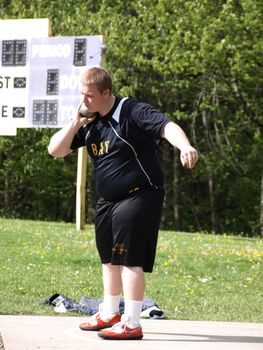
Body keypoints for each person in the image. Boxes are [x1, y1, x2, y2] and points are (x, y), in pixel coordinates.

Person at [48, 67, 198, 340]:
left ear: (107, 92)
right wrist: (75, 122)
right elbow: (55, 150)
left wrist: (185, 146)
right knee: (109, 258)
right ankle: (109, 313)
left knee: (129, 258)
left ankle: (131, 321)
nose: (84, 101)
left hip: (141, 193)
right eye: (81, 95)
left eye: (90, 96)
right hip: (109, 201)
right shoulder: (90, 121)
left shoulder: (131, 111)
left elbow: (167, 127)